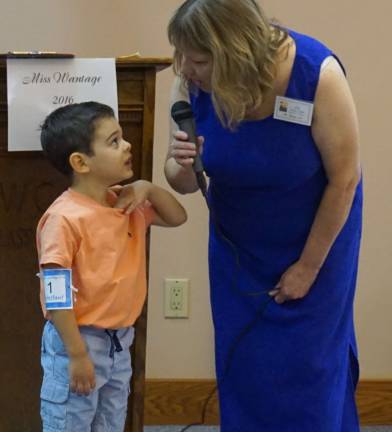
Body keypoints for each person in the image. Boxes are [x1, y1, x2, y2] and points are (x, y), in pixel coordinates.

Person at [164, 0, 363, 431]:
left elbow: (345, 179)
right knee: (247, 363)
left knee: (309, 364)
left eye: (198, 60)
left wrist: (308, 267)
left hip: (317, 234)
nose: (185, 69)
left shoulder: (317, 74)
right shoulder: (190, 84)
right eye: (181, 55)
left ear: (235, 52)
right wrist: (180, 163)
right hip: (239, 242)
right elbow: (179, 180)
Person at [36, 101, 187, 432]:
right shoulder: (63, 219)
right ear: (81, 162)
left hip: (120, 341)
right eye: (114, 141)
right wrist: (76, 354)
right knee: (70, 422)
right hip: (77, 342)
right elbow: (57, 296)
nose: (127, 145)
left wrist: (147, 187)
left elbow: (177, 216)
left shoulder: (125, 203)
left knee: (110, 423)